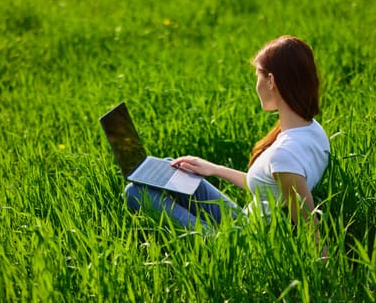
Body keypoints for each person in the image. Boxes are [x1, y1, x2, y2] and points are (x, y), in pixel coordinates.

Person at [124, 35, 330, 233]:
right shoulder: (312, 130)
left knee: (135, 193)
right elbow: (268, 188)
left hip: (242, 242)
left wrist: (326, 266)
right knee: (173, 168)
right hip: (245, 223)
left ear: (271, 81)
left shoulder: (284, 155)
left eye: (257, 75)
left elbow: (309, 226)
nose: (256, 85)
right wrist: (212, 169)